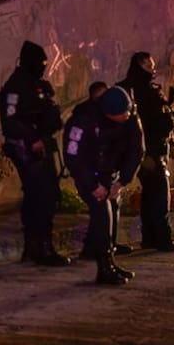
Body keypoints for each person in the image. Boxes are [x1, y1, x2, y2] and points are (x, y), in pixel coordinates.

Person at [0, 40, 71, 267]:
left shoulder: (37, 85)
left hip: (43, 145)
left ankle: (37, 246)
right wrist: (32, 139)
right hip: (27, 149)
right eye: (40, 63)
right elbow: (10, 122)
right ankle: (40, 247)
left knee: (45, 195)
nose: (43, 67)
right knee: (40, 195)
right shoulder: (14, 87)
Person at [63, 85, 144, 285]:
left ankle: (109, 260)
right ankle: (104, 268)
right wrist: (92, 186)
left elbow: (136, 150)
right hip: (90, 175)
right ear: (109, 112)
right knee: (102, 215)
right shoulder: (83, 121)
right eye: (121, 114)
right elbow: (73, 157)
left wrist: (122, 180)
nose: (127, 116)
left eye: (127, 111)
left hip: (112, 173)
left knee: (113, 212)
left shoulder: (130, 116)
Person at [118, 51, 174, 252]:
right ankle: (162, 238)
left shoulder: (140, 89)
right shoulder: (135, 91)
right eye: (149, 66)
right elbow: (148, 123)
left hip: (151, 149)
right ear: (140, 65)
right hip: (149, 151)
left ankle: (151, 237)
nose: (153, 70)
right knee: (160, 195)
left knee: (151, 194)